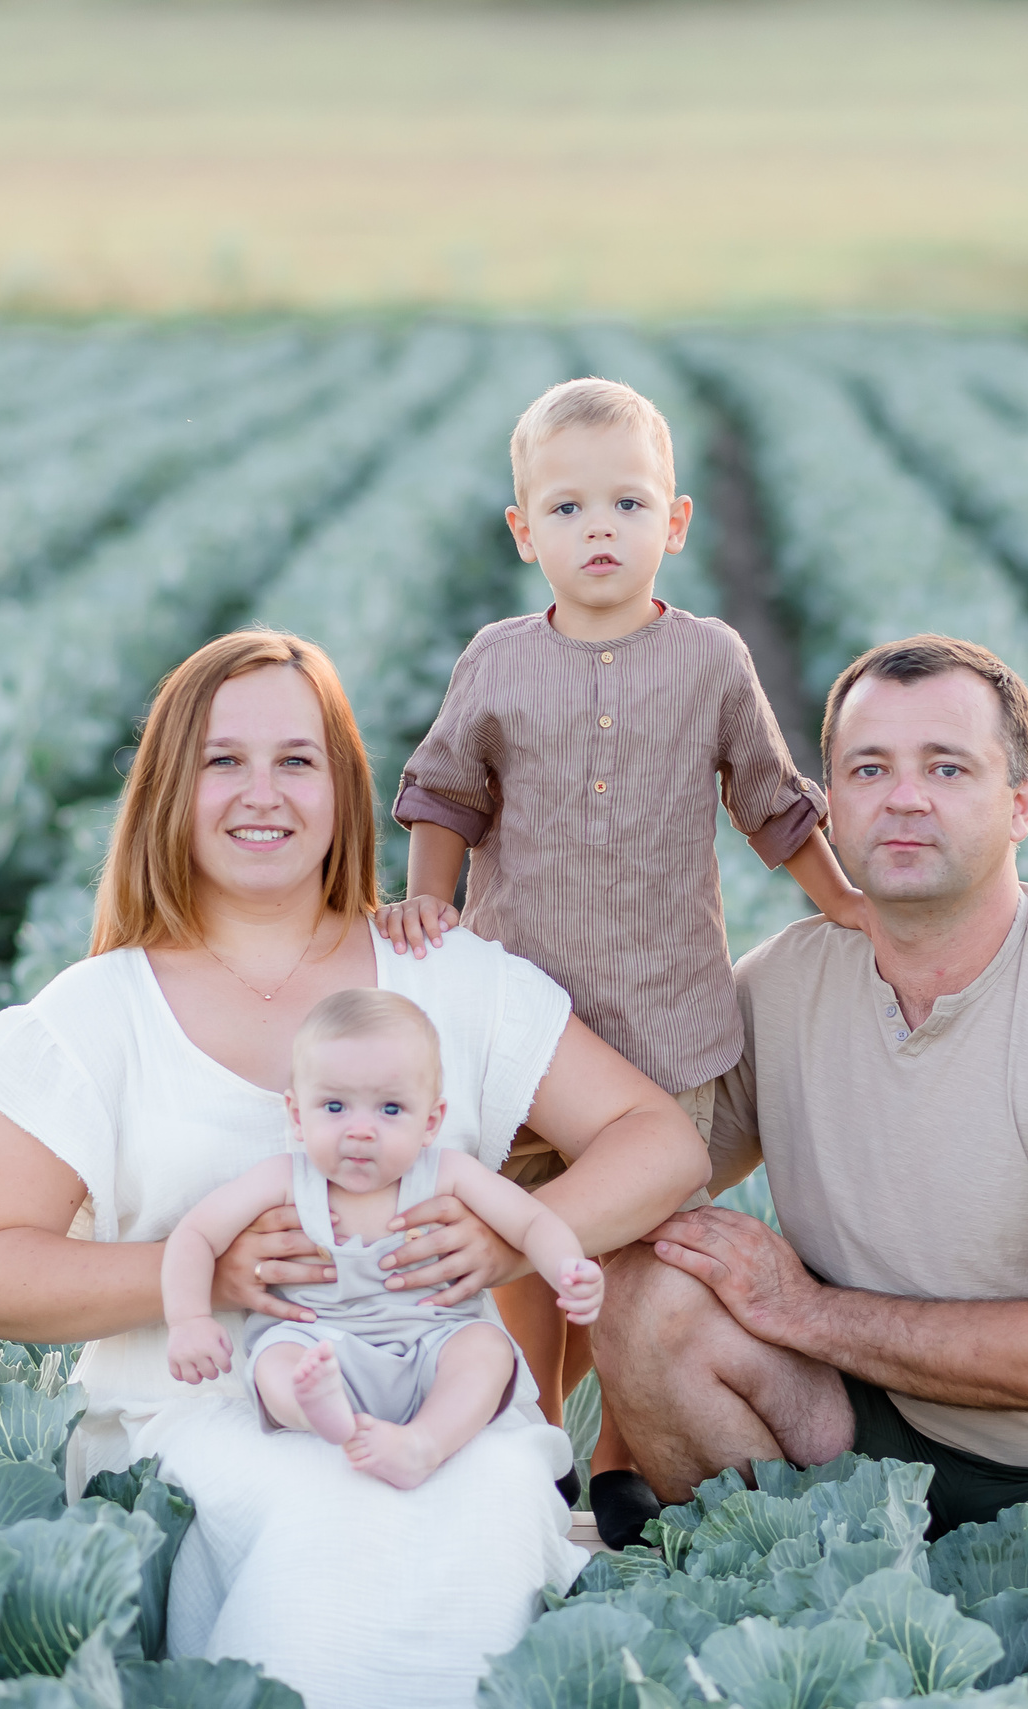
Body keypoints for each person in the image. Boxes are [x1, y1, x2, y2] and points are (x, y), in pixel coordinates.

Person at [0, 629, 708, 1709]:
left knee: (485, 1492)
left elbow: (659, 1138)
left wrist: (504, 1233)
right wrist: (206, 1272)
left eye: (297, 759)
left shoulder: (447, 977)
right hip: (193, 1419)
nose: (263, 792)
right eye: (223, 760)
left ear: (343, 787)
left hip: (435, 1391)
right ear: (168, 787)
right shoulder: (98, 1010)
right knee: (316, 1509)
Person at [592, 634, 1028, 1709]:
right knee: (647, 1293)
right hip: (870, 1430)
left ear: (1020, 800)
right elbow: (629, 1169)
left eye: (947, 767)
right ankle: (813, 1633)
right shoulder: (784, 986)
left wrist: (804, 1309)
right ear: (829, 806)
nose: (903, 799)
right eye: (868, 769)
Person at [375, 376, 867, 1544]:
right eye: (567, 510)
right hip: (520, 1024)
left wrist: (841, 899)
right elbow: (444, 790)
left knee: (636, 1251)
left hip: (662, 1021)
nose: (599, 530)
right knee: (515, 1232)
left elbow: (771, 802)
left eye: (627, 505)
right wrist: (426, 907)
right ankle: (528, 1425)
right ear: (522, 531)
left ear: (676, 522)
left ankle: (619, 1454)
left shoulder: (710, 660)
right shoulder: (497, 661)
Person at [162, 987, 605, 1490]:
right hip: (320, 1345)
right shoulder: (283, 1179)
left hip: (430, 1345)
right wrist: (189, 1318)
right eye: (334, 1106)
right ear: (296, 1115)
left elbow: (531, 1223)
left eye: (390, 1110)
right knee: (275, 1359)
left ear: (431, 1121)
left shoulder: (447, 1174)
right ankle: (322, 1414)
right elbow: (195, 1234)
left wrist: (568, 1266)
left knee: (485, 1348)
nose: (361, 1130)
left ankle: (425, 1441)